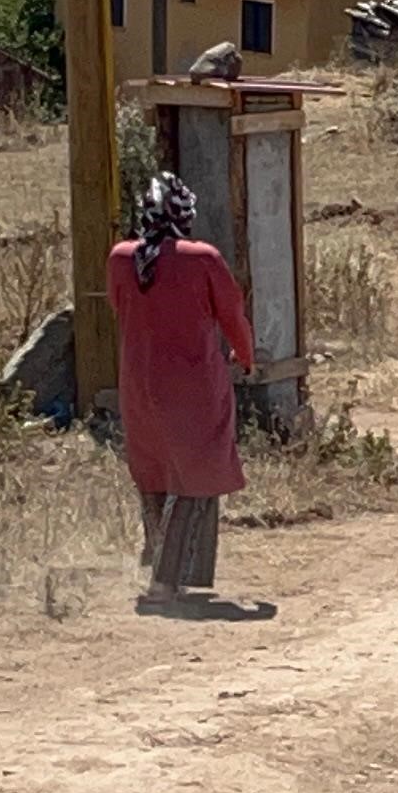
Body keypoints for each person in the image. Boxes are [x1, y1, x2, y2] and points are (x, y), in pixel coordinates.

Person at [107, 172, 256, 598]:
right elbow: (233, 318)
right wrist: (244, 359)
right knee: (198, 474)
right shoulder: (202, 258)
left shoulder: (120, 257)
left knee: (152, 472)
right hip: (194, 386)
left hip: (138, 383)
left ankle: (154, 560)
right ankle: (167, 579)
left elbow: (121, 308)